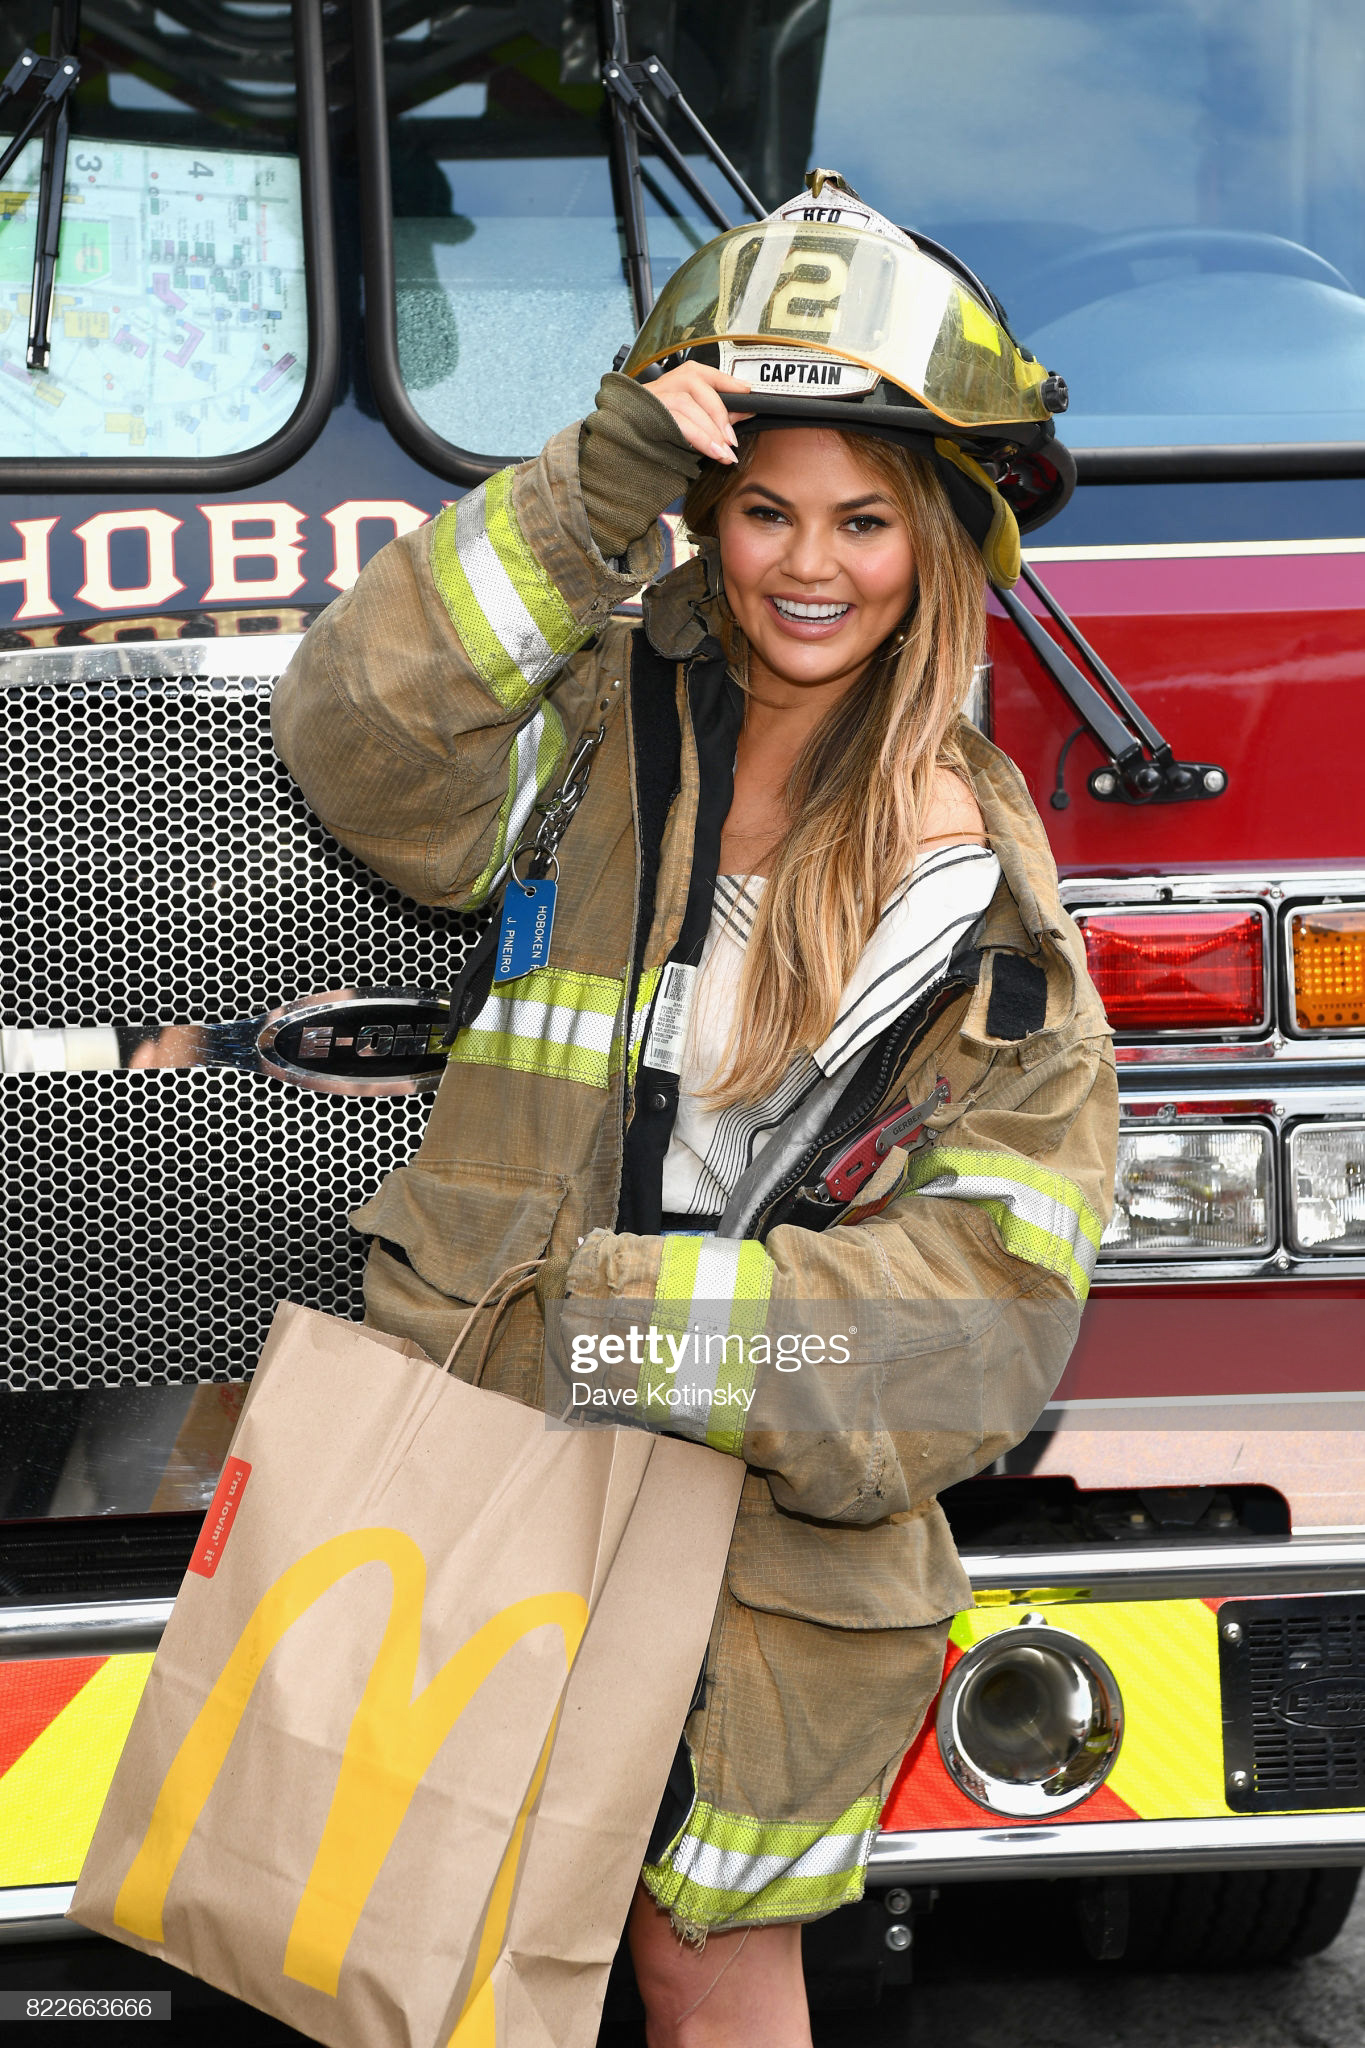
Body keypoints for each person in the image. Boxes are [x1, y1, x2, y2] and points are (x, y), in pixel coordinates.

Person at [272, 171, 1118, 2048]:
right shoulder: (591, 740)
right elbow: (353, 732)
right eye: (761, 511)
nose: (809, 566)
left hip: (770, 1549)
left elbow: (996, 1307)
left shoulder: (980, 897)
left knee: (701, 1966)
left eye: (864, 521)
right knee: (449, 1962)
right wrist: (588, 496)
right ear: (705, 518)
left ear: (941, 548)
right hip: (484, 1478)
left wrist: (646, 1325)